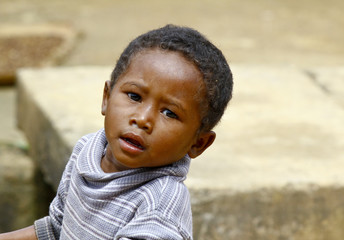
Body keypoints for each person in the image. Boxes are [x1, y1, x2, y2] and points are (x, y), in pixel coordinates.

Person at [0, 24, 233, 240]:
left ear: (198, 143)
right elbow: (56, 227)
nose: (142, 119)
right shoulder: (87, 150)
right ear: (106, 98)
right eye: (134, 96)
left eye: (170, 113)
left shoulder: (160, 204)